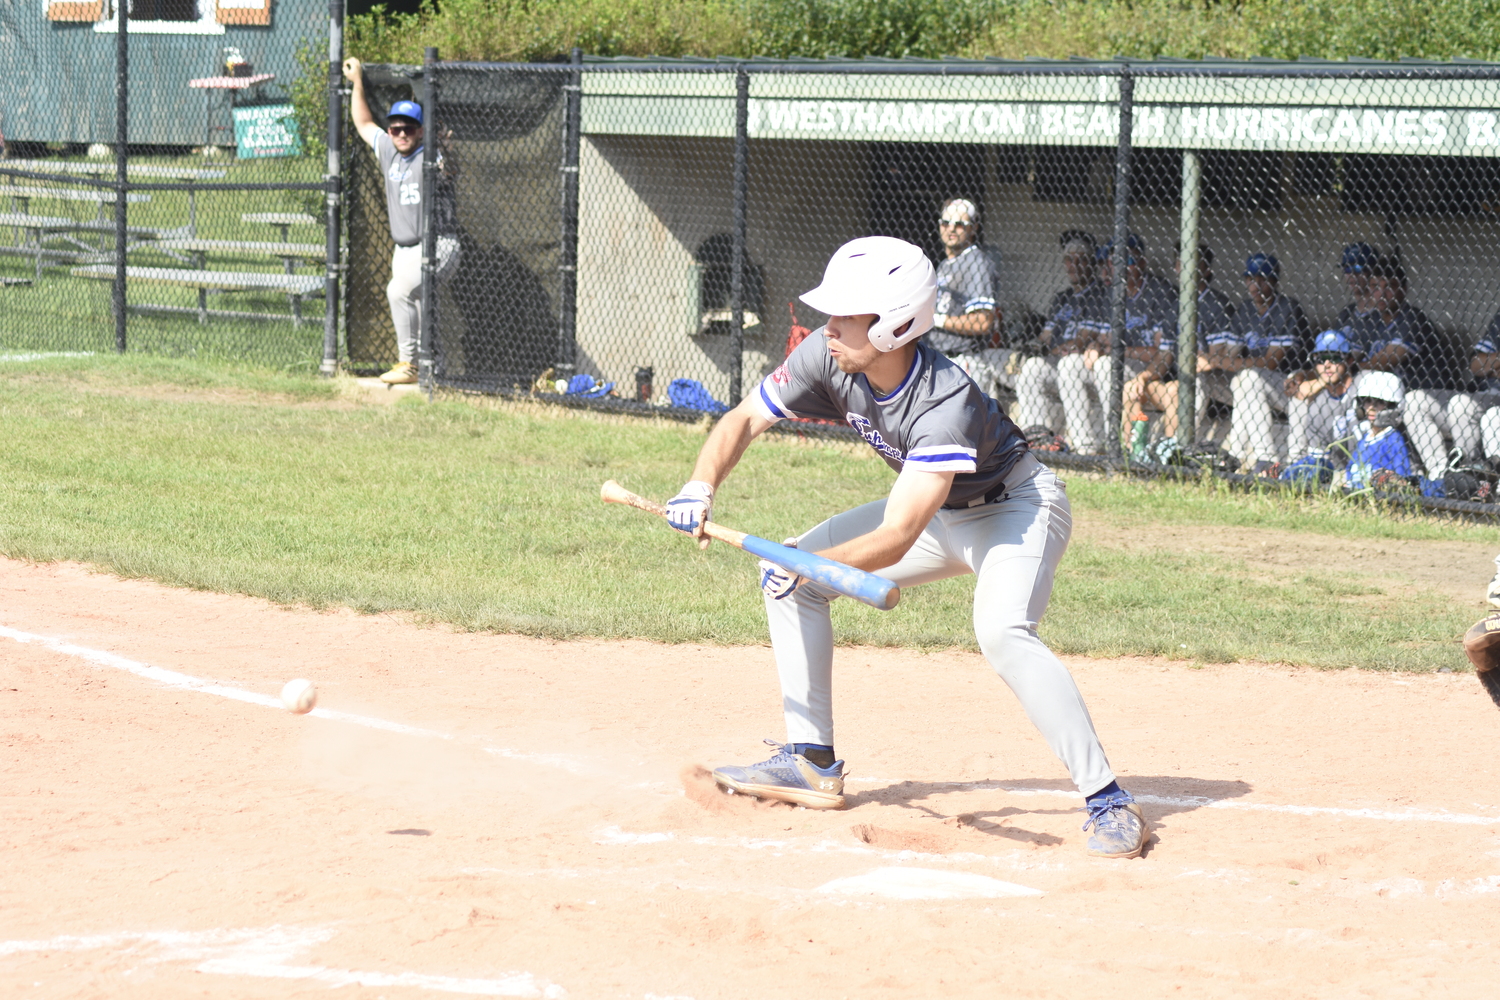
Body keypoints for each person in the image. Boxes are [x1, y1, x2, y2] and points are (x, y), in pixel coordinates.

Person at [663, 236, 1149, 859]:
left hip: (1017, 510)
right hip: (939, 511)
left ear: (895, 325)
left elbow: (898, 535)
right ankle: (811, 759)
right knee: (784, 574)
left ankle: (1108, 799)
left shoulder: (943, 401)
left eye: (845, 316)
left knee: (1003, 632)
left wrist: (812, 564)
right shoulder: (826, 354)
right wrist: (699, 486)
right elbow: (742, 419)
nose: (827, 327)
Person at [343, 56, 460, 385]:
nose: (401, 133)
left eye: (409, 128)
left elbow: (450, 168)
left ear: (420, 131)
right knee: (417, 303)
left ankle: (409, 363)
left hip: (439, 243)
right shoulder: (389, 151)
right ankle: (434, 366)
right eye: (396, 127)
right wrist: (358, 84)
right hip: (405, 249)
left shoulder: (429, 154)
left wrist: (447, 151)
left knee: (399, 292)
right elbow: (364, 123)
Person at [1210, 253, 1311, 473]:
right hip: (1258, 384)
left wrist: (1216, 360)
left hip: (1292, 383)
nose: (1256, 285)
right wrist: (1220, 360)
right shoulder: (1245, 310)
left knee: (1248, 377)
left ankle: (1236, 454)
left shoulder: (1287, 308)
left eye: (1263, 279)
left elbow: (1270, 362)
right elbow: (1230, 354)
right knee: (1245, 381)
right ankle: (1264, 459)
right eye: (1251, 279)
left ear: (1274, 281)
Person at [1014, 231, 1110, 445]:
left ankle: (1083, 444)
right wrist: (1030, 349)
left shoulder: (1099, 295)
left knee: (1067, 364)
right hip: (1056, 359)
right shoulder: (1061, 299)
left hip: (1080, 364)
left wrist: (1046, 351)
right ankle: (1035, 438)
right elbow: (1045, 337)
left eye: (1080, 259)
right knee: (1031, 368)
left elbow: (1081, 341)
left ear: (1091, 262)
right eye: (1069, 259)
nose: (1073, 265)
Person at [926, 198, 1005, 395]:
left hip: (963, 363)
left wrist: (938, 320)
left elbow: (982, 322)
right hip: (938, 358)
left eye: (960, 224)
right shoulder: (945, 264)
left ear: (974, 228)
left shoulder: (976, 262)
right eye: (946, 223)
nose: (951, 229)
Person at [1279, 330, 1358, 482]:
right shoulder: (1318, 406)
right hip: (1341, 471)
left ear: (1349, 360)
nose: (1327, 365)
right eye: (1321, 359)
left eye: (1334, 358)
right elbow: (1318, 461)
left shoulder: (1364, 389)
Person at [1343, 370, 1414, 490]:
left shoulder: (1393, 439)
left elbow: (1401, 476)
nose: (1372, 407)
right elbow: (1351, 470)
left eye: (1380, 402)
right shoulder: (1364, 439)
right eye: (1368, 401)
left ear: (1393, 406)